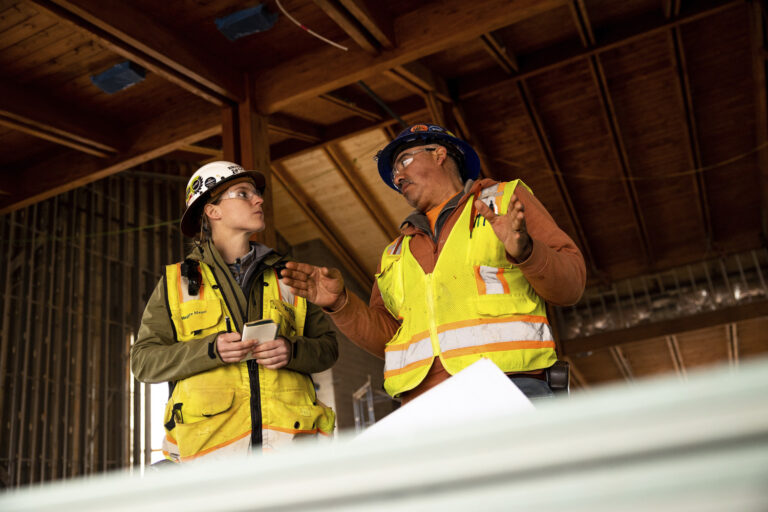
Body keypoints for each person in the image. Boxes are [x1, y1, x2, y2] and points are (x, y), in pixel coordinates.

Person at [281, 123, 585, 404]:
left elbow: (570, 287)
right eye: (394, 173)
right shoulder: (395, 253)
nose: (397, 177)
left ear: (439, 154)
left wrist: (527, 251)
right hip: (425, 405)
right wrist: (341, 304)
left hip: (509, 387)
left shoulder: (503, 202)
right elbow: (389, 340)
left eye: (403, 161)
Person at [131, 161, 338, 463]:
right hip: (212, 462)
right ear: (212, 211)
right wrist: (209, 350)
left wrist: (292, 350)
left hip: (290, 454)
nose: (259, 200)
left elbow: (328, 348)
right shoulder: (176, 283)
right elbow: (143, 362)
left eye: (257, 193)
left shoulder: (288, 275)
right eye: (243, 193)